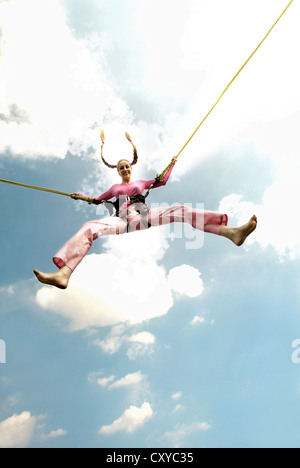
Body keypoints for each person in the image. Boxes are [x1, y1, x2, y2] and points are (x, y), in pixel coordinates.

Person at [34, 132, 257, 289]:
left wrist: (171, 164)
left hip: (144, 216)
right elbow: (95, 200)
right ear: (117, 170)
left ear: (130, 167)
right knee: (89, 226)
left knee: (180, 210)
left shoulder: (141, 182)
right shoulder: (114, 188)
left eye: (126, 166)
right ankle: (64, 273)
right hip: (121, 220)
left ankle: (231, 233)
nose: (124, 169)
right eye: (120, 167)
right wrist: (79, 196)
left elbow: (161, 181)